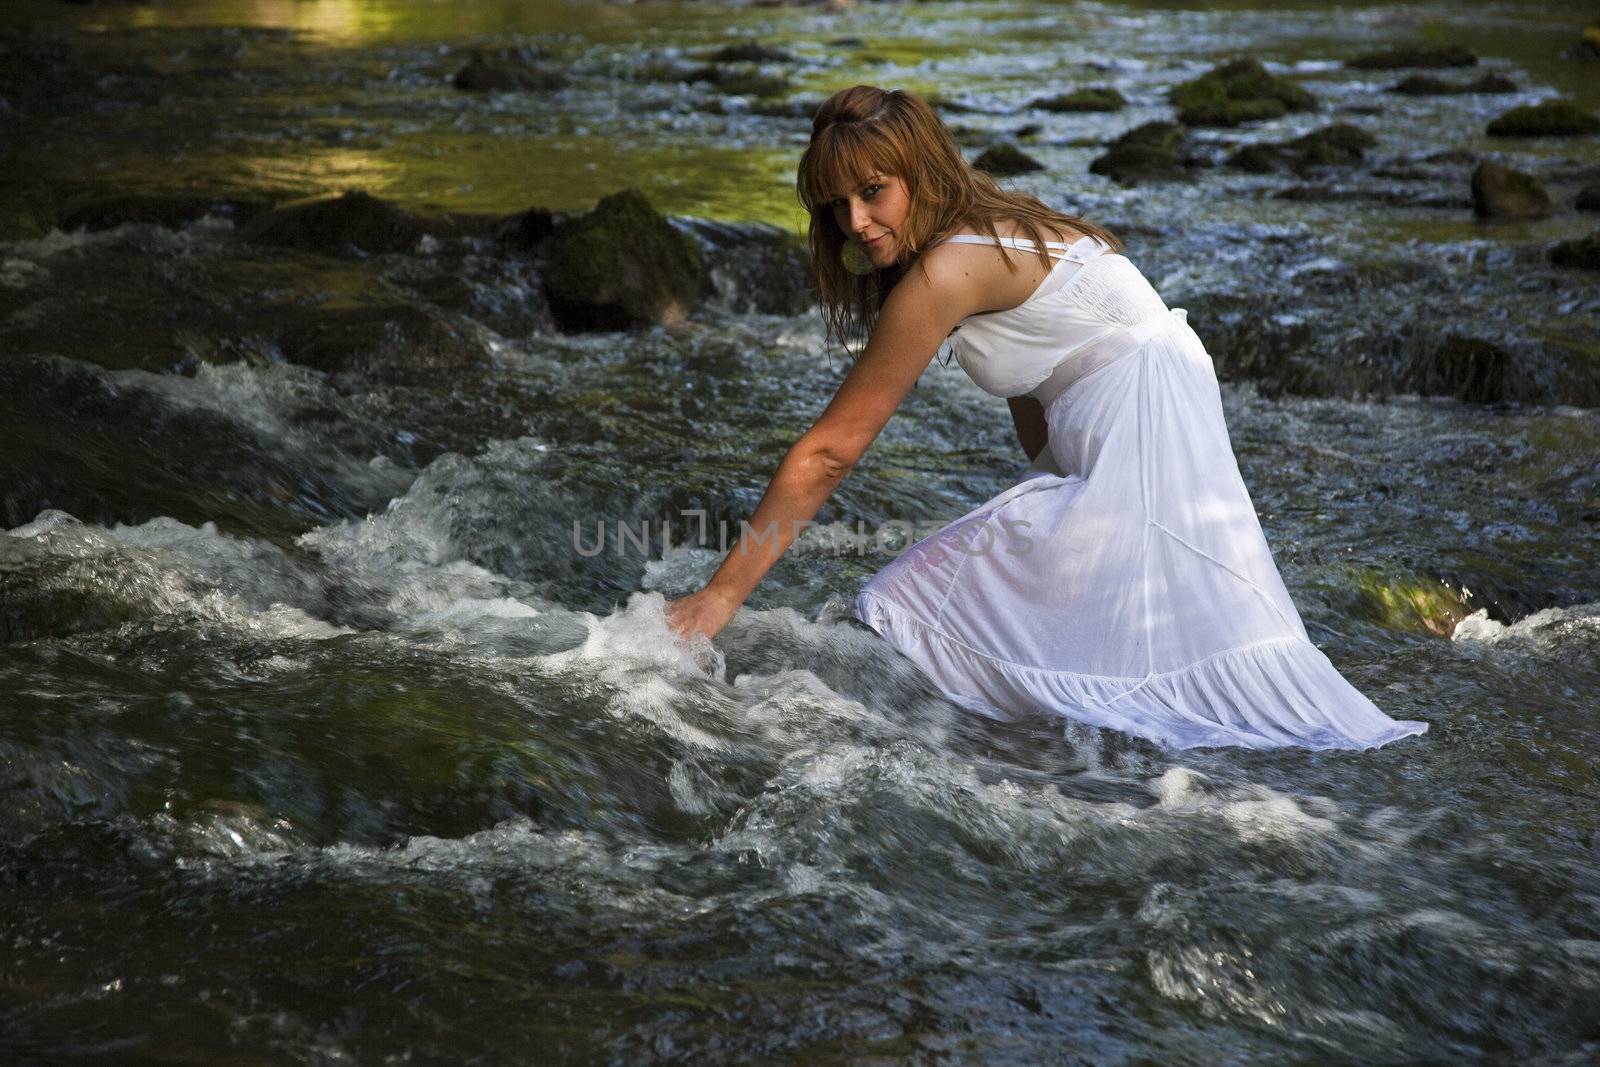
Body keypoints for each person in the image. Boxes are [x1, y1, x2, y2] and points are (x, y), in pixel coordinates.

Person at [665, 85, 1426, 751]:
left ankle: (990, 760)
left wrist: (720, 598)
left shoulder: (944, 269)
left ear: (921, 174)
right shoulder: (986, 225)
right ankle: (1050, 750)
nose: (855, 222)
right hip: (1148, 402)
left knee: (909, 602)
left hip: (1140, 417)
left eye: (873, 191)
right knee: (1063, 615)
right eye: (837, 205)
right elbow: (1039, 384)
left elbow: (830, 452)